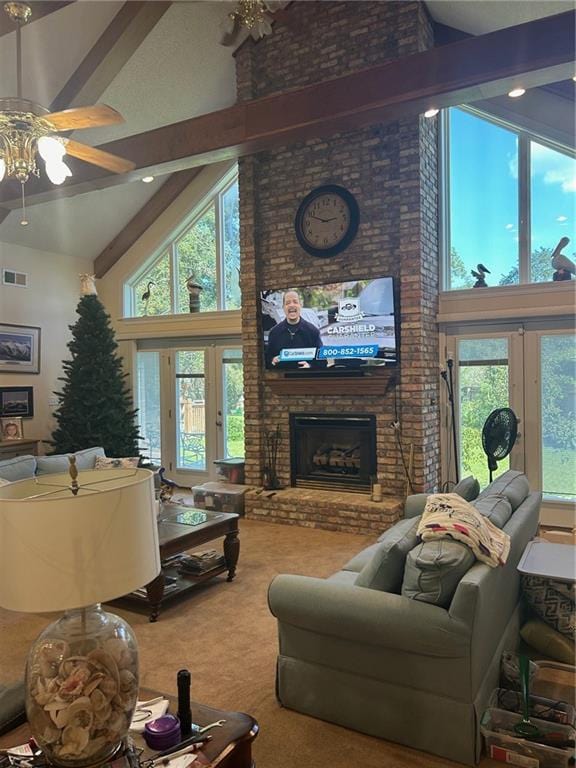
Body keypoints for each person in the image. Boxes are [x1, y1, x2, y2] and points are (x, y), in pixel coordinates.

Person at [265, 290, 324, 369]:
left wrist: (310, 366)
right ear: (283, 308)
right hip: (282, 380)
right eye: (288, 303)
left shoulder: (313, 332)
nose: (291, 305)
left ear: (300, 305)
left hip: (305, 379)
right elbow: (267, 360)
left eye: (295, 302)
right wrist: (272, 361)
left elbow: (322, 362)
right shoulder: (274, 333)